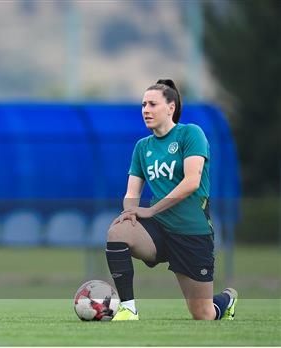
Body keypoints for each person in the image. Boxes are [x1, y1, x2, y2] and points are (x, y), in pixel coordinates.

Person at [105, 79, 237, 321]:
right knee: (118, 231)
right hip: (158, 231)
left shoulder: (190, 133)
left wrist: (151, 210)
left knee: (203, 314)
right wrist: (131, 211)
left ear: (171, 107)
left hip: (191, 232)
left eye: (152, 104)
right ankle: (128, 309)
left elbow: (191, 182)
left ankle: (225, 300)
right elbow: (131, 193)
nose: (146, 109)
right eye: (143, 104)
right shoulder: (142, 147)